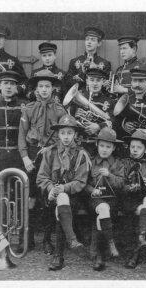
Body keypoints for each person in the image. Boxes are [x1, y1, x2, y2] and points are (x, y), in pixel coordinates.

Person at [18, 70, 67, 254]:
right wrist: (25, 157)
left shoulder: (60, 110)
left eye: (47, 86)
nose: (44, 90)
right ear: (36, 89)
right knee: (30, 198)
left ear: (53, 89)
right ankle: (28, 239)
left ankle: (47, 239)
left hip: (51, 157)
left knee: (48, 198)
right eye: (41, 86)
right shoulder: (28, 109)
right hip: (31, 155)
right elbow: (21, 135)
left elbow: (64, 137)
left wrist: (52, 149)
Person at [36, 114, 91, 271]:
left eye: (69, 133)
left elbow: (81, 182)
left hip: (74, 197)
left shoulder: (81, 154)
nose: (66, 137)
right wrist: (50, 188)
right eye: (63, 133)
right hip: (52, 195)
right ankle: (71, 241)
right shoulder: (50, 152)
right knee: (61, 200)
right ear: (58, 134)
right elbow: (42, 177)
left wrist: (64, 189)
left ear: (75, 134)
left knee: (63, 200)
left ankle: (58, 255)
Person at [85, 127, 125, 271]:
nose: (104, 149)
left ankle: (97, 253)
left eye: (108, 146)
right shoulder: (90, 162)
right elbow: (83, 183)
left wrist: (109, 175)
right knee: (102, 210)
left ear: (114, 147)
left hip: (112, 200)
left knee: (102, 216)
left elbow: (121, 184)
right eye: (102, 145)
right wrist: (92, 190)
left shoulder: (118, 163)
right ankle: (110, 243)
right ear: (97, 145)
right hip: (94, 200)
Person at [120, 130, 146, 269]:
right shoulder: (123, 163)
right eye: (132, 147)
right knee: (131, 217)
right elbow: (119, 183)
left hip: (143, 197)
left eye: (139, 148)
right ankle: (135, 250)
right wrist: (129, 187)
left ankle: (141, 239)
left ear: (145, 150)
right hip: (127, 198)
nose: (135, 150)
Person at [67, 68, 117, 156]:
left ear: (103, 81)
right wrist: (75, 118)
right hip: (79, 143)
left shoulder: (110, 102)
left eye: (98, 80)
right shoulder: (77, 98)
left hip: (99, 147)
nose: (95, 83)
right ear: (87, 80)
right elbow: (69, 119)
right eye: (92, 80)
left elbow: (114, 121)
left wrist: (98, 126)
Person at [0, 71, 28, 173]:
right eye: (5, 83)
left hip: (19, 158)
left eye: (12, 84)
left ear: (16, 87)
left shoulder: (25, 106)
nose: (9, 87)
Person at [113, 66, 146, 142]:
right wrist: (124, 126)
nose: (137, 85)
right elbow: (115, 122)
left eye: (141, 81)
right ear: (131, 82)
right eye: (134, 81)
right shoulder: (124, 100)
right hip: (127, 143)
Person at [67, 27, 111, 91]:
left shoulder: (105, 63)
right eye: (87, 39)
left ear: (99, 43)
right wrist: (83, 72)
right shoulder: (74, 61)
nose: (89, 42)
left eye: (93, 40)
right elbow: (69, 84)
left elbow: (106, 85)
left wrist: (96, 69)